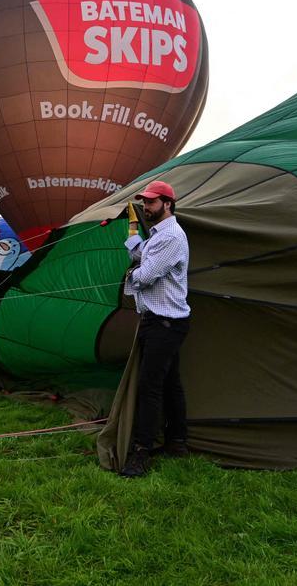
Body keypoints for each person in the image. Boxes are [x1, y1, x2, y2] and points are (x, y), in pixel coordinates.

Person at [120, 180, 191, 477]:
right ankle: (177, 441)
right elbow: (140, 257)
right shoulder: (157, 235)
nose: (147, 207)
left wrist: (129, 276)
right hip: (161, 320)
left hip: (165, 323)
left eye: (151, 202)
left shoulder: (172, 236)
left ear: (167, 203)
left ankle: (141, 452)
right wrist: (133, 230)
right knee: (170, 383)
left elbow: (145, 274)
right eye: (144, 203)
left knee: (149, 388)